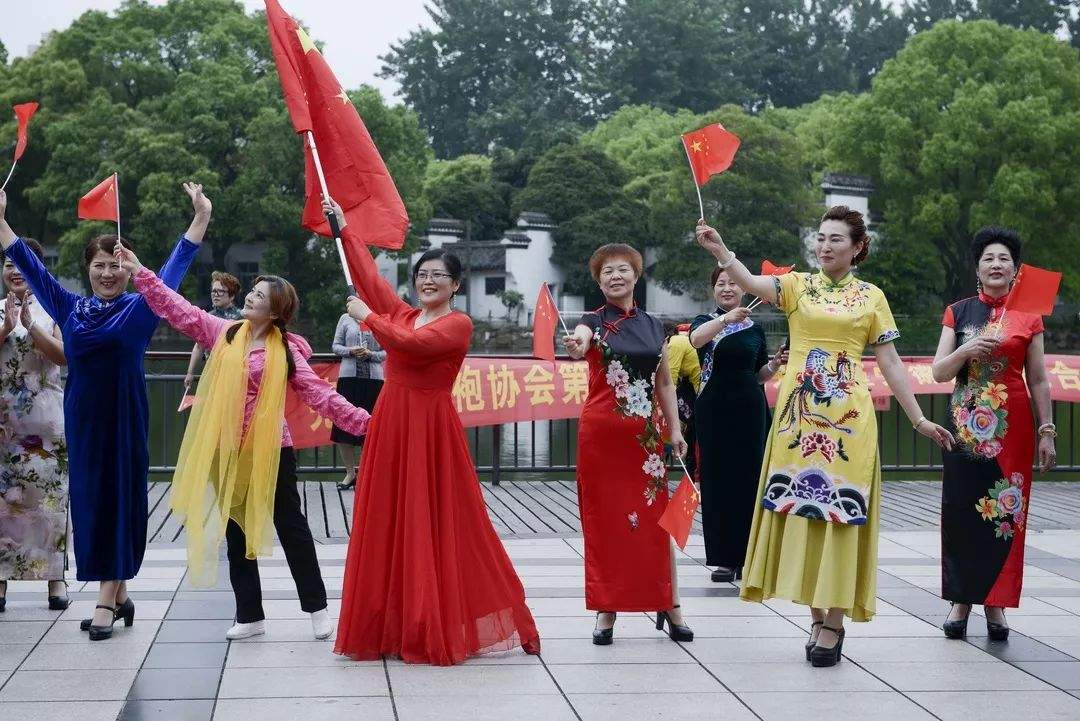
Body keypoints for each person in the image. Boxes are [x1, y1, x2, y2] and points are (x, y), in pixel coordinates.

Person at [695, 206, 954, 667]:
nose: (825, 246)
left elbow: (890, 363)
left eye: (836, 239)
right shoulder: (798, 287)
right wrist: (721, 250)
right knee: (802, 512)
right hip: (798, 420)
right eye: (821, 238)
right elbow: (753, 284)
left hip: (849, 422)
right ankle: (817, 617)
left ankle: (834, 622)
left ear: (857, 248)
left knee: (839, 516)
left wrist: (917, 420)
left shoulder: (872, 297)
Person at [116, 242, 370, 640]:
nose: (251, 298)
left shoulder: (285, 350)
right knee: (236, 530)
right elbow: (178, 309)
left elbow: (321, 395)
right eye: (252, 292)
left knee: (291, 526)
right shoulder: (225, 332)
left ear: (276, 312)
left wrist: (367, 423)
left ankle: (318, 608)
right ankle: (250, 614)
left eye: (260, 296)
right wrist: (140, 272)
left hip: (272, 449)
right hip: (226, 447)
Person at [326, 197, 540, 665]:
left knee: (438, 521)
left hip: (430, 426)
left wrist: (366, 318)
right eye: (423, 274)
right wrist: (344, 230)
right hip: (391, 423)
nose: (428, 281)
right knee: (389, 517)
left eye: (438, 276)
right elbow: (371, 282)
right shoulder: (404, 313)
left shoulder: (458, 324)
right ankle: (393, 624)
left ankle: (437, 622)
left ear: (456, 286)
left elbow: (408, 343)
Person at [0, 184, 208, 640]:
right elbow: (31, 268)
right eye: (100, 265)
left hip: (126, 418)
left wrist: (199, 219)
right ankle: (119, 595)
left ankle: (104, 598)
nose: (108, 273)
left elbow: (175, 268)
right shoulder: (69, 308)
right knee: (93, 503)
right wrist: (1, 218)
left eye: (116, 265)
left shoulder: (142, 306)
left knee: (120, 500)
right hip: (82, 419)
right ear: (88, 270)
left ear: (128, 270)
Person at [562, 243, 692, 646]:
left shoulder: (656, 325)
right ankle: (607, 608)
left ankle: (669, 605)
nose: (615, 277)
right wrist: (578, 345)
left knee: (654, 522)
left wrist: (675, 430)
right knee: (605, 522)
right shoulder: (591, 321)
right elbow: (581, 339)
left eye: (623, 270)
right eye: (606, 272)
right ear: (598, 282)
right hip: (601, 436)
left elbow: (665, 382)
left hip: (646, 440)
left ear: (636, 276)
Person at [932, 227, 1056, 641]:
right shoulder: (959, 312)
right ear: (978, 268)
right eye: (989, 259)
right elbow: (939, 371)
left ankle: (997, 605)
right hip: (966, 429)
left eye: (1004, 259)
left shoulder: (1029, 317)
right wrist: (966, 350)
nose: (996, 265)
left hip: (1013, 429)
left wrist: (1047, 431)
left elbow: (1038, 379)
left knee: (1006, 515)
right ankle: (960, 601)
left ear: (1016, 269)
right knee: (962, 508)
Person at [689, 267, 785, 584]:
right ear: (713, 289)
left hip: (750, 411)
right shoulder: (705, 322)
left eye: (733, 283)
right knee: (717, 482)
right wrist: (725, 320)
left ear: (744, 288)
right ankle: (723, 559)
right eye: (721, 283)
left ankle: (751, 557)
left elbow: (759, 374)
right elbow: (694, 341)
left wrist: (774, 364)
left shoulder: (755, 330)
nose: (728, 288)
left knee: (750, 482)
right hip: (714, 411)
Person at [0, 238, 69, 612]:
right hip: (3, 425)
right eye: (7, 264)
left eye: (20, 264)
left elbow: (63, 356)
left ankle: (54, 581)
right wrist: (8, 326)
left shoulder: (53, 311)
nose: (13, 271)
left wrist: (31, 327)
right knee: (3, 505)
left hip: (45, 425)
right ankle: (1, 582)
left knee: (49, 502)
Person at [330, 312, 384, 490]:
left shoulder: (379, 318)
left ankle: (367, 473)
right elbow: (336, 346)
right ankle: (350, 473)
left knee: (372, 428)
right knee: (343, 425)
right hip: (348, 379)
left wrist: (370, 354)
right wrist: (350, 351)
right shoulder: (345, 318)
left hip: (374, 381)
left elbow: (388, 351)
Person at [183, 271, 242, 390]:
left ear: (232, 295)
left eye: (220, 291)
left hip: (235, 374)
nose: (216, 294)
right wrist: (190, 373)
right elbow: (199, 346)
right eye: (214, 291)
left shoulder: (242, 318)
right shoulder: (208, 317)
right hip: (212, 373)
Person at [665, 321, 701, 481]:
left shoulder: (674, 343)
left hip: (701, 391)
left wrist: (662, 406)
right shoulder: (682, 340)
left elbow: (669, 378)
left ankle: (695, 478)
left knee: (694, 435)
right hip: (696, 389)